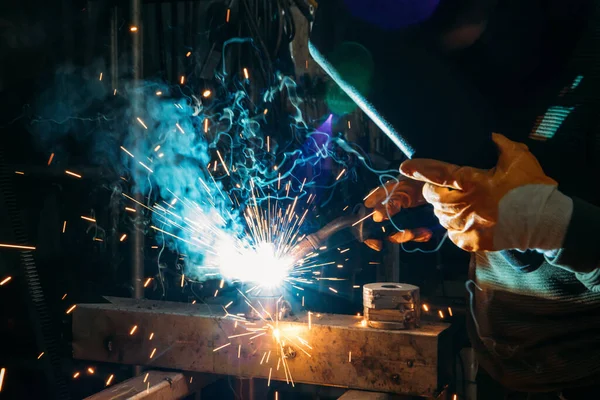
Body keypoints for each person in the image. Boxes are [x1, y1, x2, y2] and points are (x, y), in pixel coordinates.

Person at [359, 1, 600, 399]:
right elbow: (521, 176)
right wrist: (444, 201)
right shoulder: (513, 59)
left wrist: (554, 223)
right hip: (502, 369)